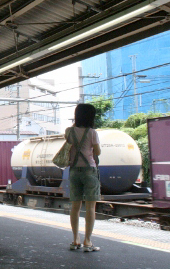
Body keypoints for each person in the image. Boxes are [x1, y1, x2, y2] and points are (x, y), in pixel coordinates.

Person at [67, 103, 102, 252]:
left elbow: (69, 146)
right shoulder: (92, 132)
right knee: (90, 207)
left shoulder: (68, 131)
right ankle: (88, 241)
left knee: (75, 206)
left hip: (74, 170)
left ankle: (75, 240)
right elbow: (98, 152)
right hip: (89, 171)